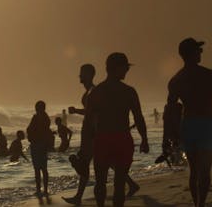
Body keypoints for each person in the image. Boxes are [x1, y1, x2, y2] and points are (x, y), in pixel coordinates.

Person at [167, 38, 212, 207]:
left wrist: (169, 135)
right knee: (204, 171)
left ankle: (198, 204)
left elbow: (170, 109)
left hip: (188, 125)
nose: (201, 53)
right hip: (206, 125)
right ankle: (200, 205)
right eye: (199, 50)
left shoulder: (176, 80)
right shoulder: (210, 75)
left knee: (194, 172)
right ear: (191, 53)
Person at [84, 53, 148, 207]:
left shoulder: (96, 92)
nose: (127, 70)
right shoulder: (129, 91)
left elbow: (88, 122)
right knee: (119, 183)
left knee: (101, 182)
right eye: (125, 67)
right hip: (122, 139)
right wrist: (144, 139)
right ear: (116, 68)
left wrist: (86, 147)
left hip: (102, 139)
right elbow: (138, 118)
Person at [63, 63, 96, 206]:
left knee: (83, 163)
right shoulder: (89, 91)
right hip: (89, 131)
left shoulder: (92, 91)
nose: (79, 76)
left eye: (82, 73)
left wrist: (76, 110)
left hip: (90, 132)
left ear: (89, 75)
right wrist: (77, 111)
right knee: (89, 162)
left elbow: (92, 113)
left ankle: (78, 197)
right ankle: (131, 184)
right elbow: (90, 111)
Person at [26, 100, 52, 197]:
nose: (36, 109)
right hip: (42, 145)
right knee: (43, 168)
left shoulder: (38, 118)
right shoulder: (46, 118)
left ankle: (40, 189)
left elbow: (30, 129)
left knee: (38, 169)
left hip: (37, 145)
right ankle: (44, 189)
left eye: (37, 107)